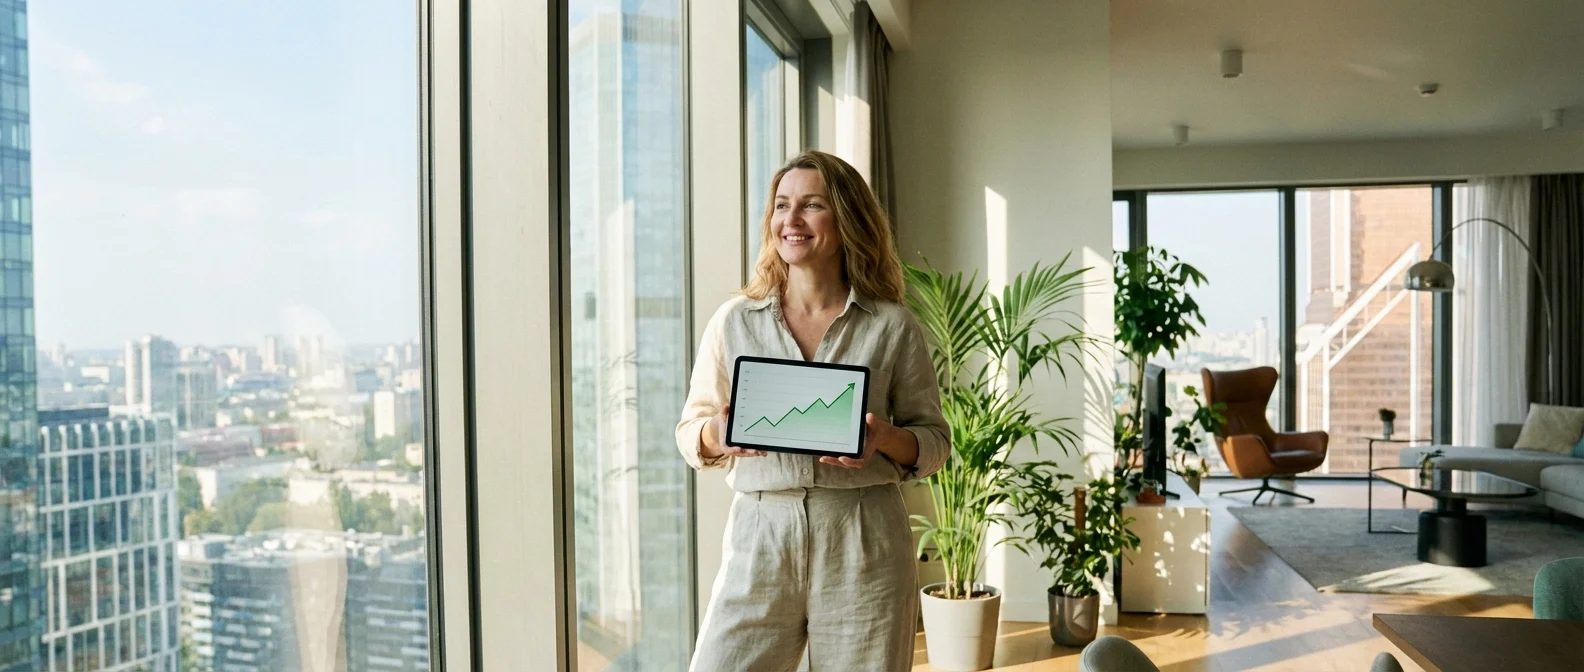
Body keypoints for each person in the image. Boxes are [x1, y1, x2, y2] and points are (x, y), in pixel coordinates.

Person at [676, 150, 950, 671]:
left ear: (846, 220)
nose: (791, 220)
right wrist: (718, 432)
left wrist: (883, 439)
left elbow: (934, 442)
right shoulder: (735, 322)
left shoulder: (892, 326)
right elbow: (691, 432)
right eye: (782, 205)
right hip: (761, 533)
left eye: (811, 205)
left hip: (864, 537)